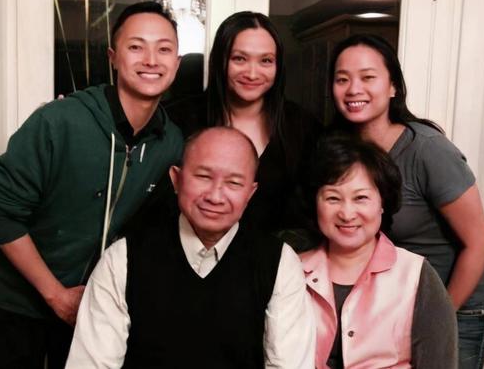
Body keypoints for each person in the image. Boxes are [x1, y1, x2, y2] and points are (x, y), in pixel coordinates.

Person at [0, 1, 184, 369]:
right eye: (136, 46)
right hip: (17, 303)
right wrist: (56, 295)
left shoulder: (170, 143)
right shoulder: (59, 121)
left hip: (91, 305)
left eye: (164, 49)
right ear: (113, 57)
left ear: (177, 63)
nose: (151, 60)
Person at [65, 127, 316, 368]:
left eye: (234, 183)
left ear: (250, 193)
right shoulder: (124, 258)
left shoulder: (279, 263)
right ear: (176, 179)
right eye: (203, 177)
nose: (215, 196)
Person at [329, 34, 484, 369]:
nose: (353, 89)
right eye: (342, 79)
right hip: (396, 304)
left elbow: (481, 242)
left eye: (367, 77)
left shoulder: (427, 150)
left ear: (393, 86)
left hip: (459, 304)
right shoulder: (343, 151)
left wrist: (439, 317)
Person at [142, 11, 321, 241]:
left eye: (266, 60)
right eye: (239, 59)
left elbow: (312, 211)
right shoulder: (178, 119)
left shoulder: (302, 127)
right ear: (221, 60)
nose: (252, 73)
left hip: (274, 257)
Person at [300, 133, 458, 369]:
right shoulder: (290, 270)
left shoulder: (416, 275)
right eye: (333, 198)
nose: (347, 213)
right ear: (315, 203)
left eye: (361, 198)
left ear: (383, 203)